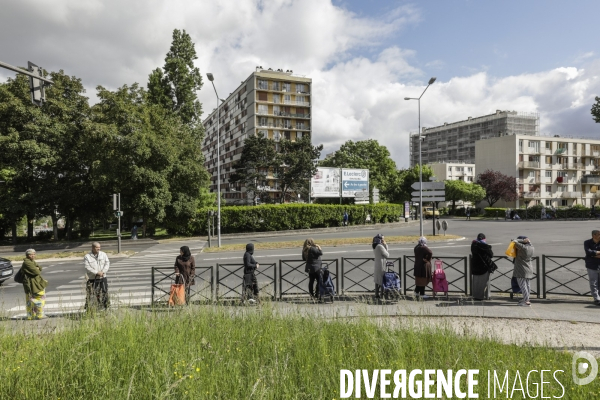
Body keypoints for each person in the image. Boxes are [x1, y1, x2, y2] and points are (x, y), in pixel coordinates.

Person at [21, 249, 48, 320]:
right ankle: (39, 315)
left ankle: (31, 315)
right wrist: (37, 268)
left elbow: (40, 268)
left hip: (35, 282)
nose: (33, 255)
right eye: (31, 254)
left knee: (32, 299)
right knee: (38, 298)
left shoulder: (31, 261)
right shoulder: (27, 263)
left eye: (34, 254)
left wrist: (38, 268)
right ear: (27, 255)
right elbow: (37, 272)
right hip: (32, 283)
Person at [84, 242, 110, 310]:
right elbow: (87, 267)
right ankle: (89, 308)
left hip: (102, 277)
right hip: (92, 278)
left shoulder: (103, 254)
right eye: (97, 247)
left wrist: (103, 272)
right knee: (91, 293)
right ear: (93, 248)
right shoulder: (87, 256)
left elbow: (107, 263)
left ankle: (106, 306)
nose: (99, 249)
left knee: (105, 291)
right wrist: (97, 272)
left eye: (99, 247)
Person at [470, 233, 494, 301]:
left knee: (476, 282)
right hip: (484, 267)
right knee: (485, 282)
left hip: (475, 266)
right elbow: (491, 255)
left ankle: (476, 296)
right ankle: (485, 296)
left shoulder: (473, 245)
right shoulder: (485, 246)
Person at [512, 236, 535, 306]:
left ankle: (526, 301)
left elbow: (513, 241)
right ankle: (527, 298)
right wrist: (527, 241)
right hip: (529, 268)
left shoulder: (522, 247)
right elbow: (529, 243)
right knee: (527, 285)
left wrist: (521, 240)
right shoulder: (531, 247)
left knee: (523, 286)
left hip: (521, 269)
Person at [583, 230, 600, 306]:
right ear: (594, 235)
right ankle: (596, 299)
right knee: (593, 283)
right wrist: (596, 253)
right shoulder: (587, 242)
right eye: (599, 234)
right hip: (591, 265)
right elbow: (588, 252)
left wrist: (593, 254)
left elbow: (591, 253)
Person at [372, 234, 390, 299]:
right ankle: (382, 294)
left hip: (377, 264)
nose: (383, 240)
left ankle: (376, 295)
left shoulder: (375, 245)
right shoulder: (380, 246)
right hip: (381, 265)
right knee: (382, 280)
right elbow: (387, 255)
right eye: (382, 239)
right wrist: (386, 245)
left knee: (377, 281)